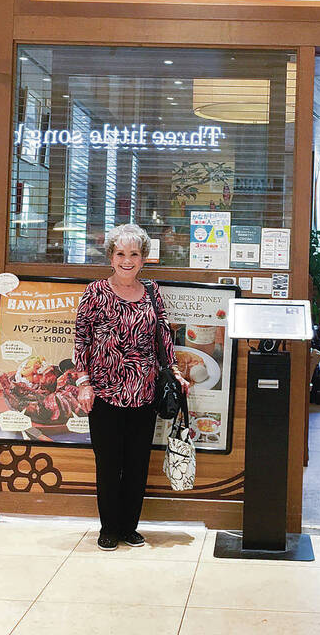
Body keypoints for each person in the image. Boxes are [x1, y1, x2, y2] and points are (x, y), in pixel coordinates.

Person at [74, 223, 188, 550]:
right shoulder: (95, 292)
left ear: (143, 258)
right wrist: (84, 383)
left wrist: (175, 372)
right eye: (120, 253)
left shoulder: (152, 290)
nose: (127, 260)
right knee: (109, 464)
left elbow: (163, 336)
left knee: (137, 464)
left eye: (134, 254)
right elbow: (81, 340)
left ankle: (129, 527)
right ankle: (108, 528)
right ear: (111, 256)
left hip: (144, 392)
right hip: (105, 392)